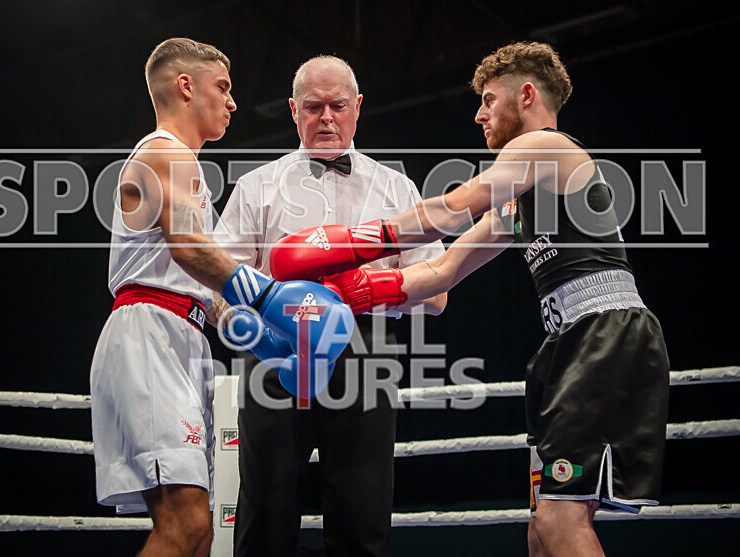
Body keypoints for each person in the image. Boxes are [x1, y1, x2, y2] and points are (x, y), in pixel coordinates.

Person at [270, 42, 670, 557]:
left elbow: (453, 206)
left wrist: (343, 240)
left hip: (602, 336)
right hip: (570, 344)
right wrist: (346, 291)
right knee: (541, 530)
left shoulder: (540, 147)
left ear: (526, 95)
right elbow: (441, 272)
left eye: (488, 99)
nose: (479, 113)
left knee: (559, 522)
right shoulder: (522, 195)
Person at [89, 39, 352, 557]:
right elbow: (189, 250)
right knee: (184, 528)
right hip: (151, 336)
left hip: (179, 335)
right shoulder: (165, 152)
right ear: (185, 86)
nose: (233, 103)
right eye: (223, 87)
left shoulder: (184, 165)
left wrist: (269, 337)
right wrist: (273, 294)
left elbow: (207, 291)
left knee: (200, 533)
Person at [214, 55, 447, 556]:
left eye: (337, 106)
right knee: (265, 509)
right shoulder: (256, 186)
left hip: (366, 346)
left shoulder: (396, 187)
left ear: (358, 107)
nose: (326, 118)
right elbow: (219, 286)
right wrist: (257, 325)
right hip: (276, 347)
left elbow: (439, 292)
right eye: (313, 107)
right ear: (293, 110)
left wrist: (368, 284)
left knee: (361, 512)